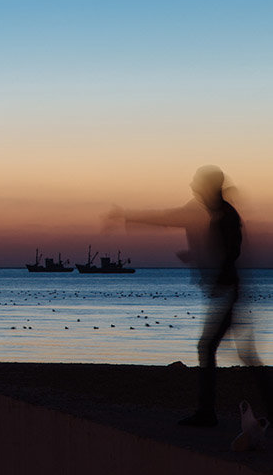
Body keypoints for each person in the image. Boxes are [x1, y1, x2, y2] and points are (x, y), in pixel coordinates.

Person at [106, 165, 268, 427]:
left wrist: (220, 275)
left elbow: (232, 250)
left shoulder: (226, 216)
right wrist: (128, 216)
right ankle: (211, 412)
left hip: (229, 293)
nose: (193, 188)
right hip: (228, 292)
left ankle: (207, 413)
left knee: (211, 348)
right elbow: (169, 217)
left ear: (209, 188)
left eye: (197, 184)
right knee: (243, 355)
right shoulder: (212, 214)